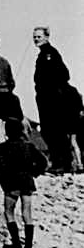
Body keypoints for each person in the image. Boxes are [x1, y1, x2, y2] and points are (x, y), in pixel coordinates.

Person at [0, 119, 48, 248]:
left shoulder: (1, 148)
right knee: (27, 214)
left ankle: (16, 245)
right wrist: (33, 173)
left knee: (9, 212)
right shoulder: (29, 146)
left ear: (7, 132)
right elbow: (43, 162)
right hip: (27, 182)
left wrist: (4, 181)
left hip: (11, 182)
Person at [33, 26, 73, 173]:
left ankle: (61, 163)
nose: (36, 39)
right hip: (46, 98)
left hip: (51, 99)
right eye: (35, 37)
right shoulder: (44, 54)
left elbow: (64, 74)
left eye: (39, 36)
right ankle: (62, 162)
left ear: (46, 37)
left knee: (54, 131)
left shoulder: (49, 54)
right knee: (50, 130)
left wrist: (53, 89)